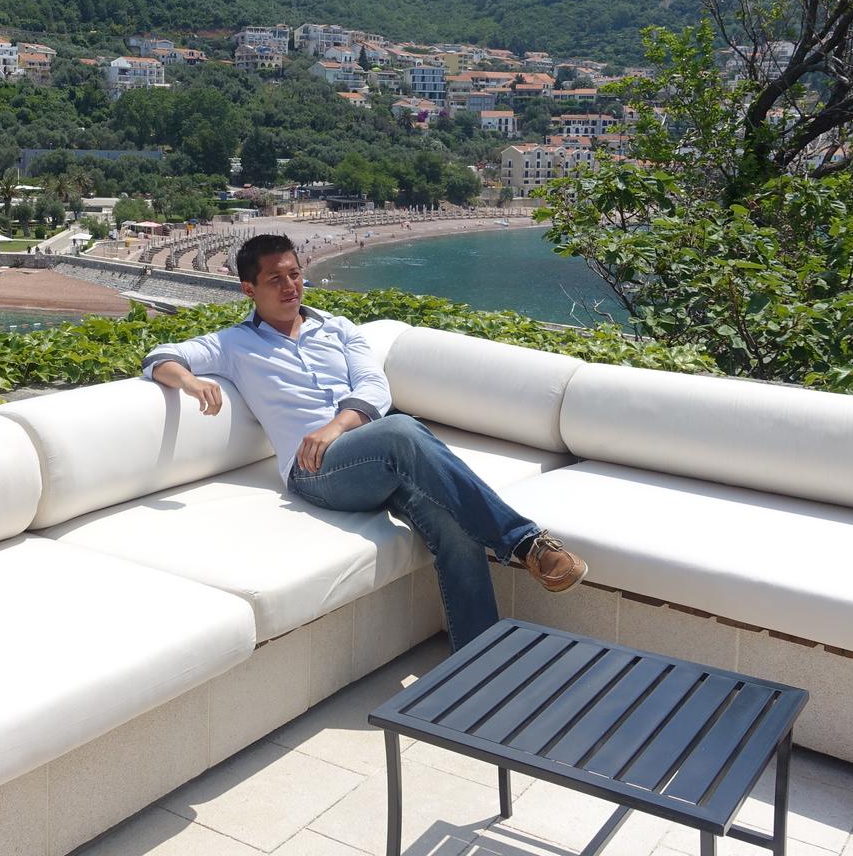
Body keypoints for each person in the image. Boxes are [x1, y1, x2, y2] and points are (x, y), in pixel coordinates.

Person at [142, 232, 586, 650]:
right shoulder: (233, 344)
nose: (290, 286)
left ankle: (478, 662)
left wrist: (337, 425)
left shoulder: (337, 327)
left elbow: (375, 386)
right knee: (403, 428)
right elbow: (161, 356)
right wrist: (190, 383)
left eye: (294, 274)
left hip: (371, 457)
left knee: (456, 525)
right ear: (248, 289)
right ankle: (526, 543)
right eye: (275, 279)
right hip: (316, 472)